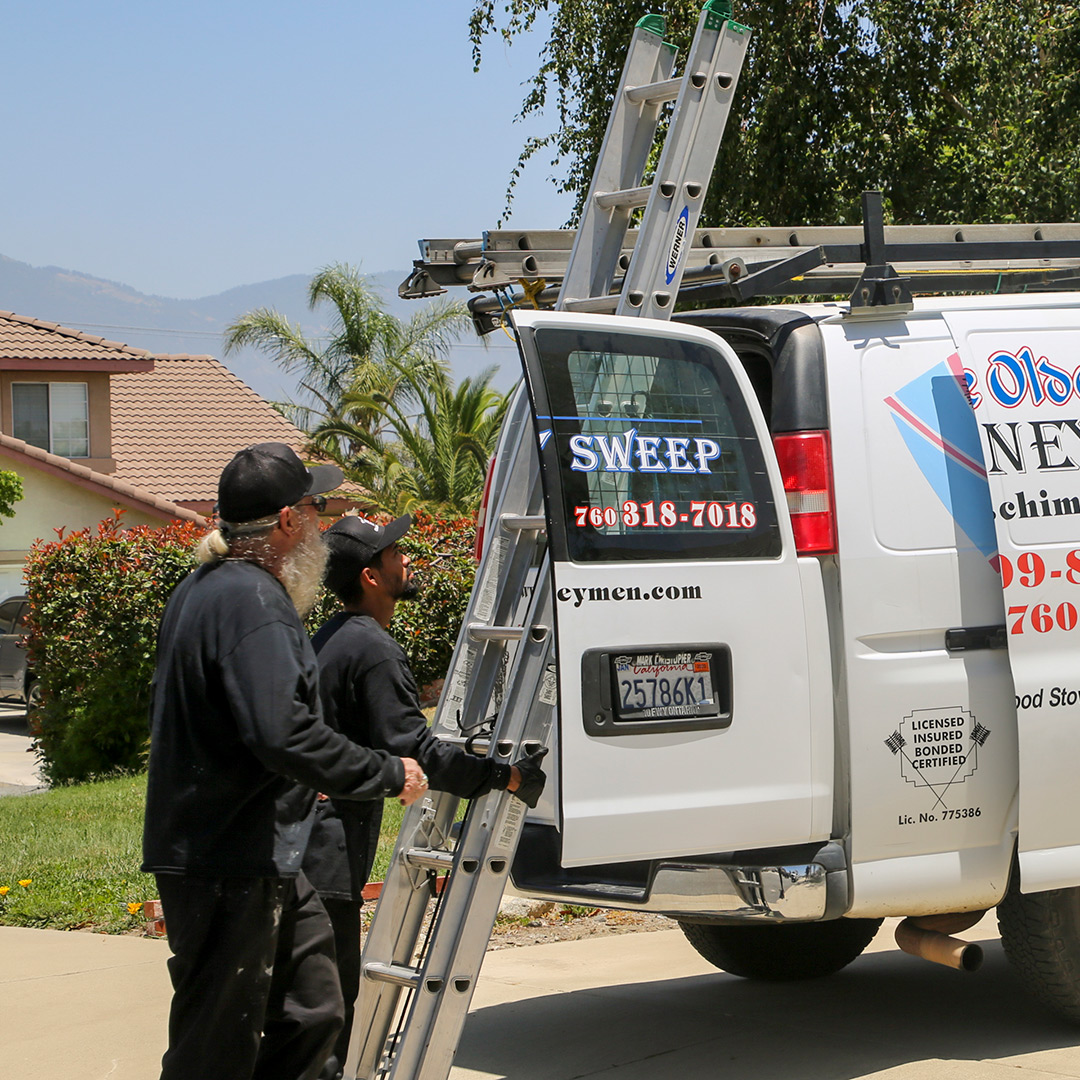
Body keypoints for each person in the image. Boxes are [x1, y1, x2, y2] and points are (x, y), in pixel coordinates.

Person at [142, 443, 429, 1080]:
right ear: (287, 521)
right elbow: (285, 733)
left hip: (259, 852)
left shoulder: (207, 589)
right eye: (316, 507)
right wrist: (387, 772)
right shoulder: (253, 601)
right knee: (215, 1043)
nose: (323, 525)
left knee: (312, 1009)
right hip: (226, 857)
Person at [301, 513, 546, 1080]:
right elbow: (415, 749)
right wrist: (504, 776)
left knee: (309, 1013)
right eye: (393, 554)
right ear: (370, 575)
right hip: (326, 853)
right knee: (324, 1019)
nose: (404, 558)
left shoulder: (332, 639)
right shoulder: (371, 649)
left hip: (307, 845)